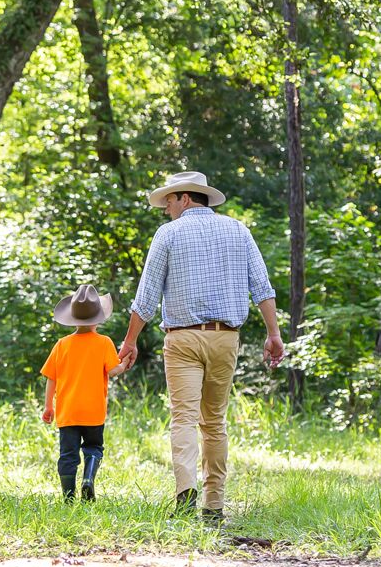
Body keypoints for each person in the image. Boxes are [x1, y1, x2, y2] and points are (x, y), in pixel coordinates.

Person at [117, 170, 283, 523]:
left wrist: (130, 341)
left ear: (186, 198)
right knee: (214, 422)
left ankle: (185, 491)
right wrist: (274, 334)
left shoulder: (168, 234)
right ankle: (214, 504)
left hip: (182, 339)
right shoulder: (238, 230)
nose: (166, 209)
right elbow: (262, 287)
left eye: (169, 201)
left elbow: (146, 296)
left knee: (183, 418)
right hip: (225, 338)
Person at [41, 283, 129, 502]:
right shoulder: (104, 342)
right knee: (93, 447)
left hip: (68, 412)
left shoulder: (62, 345)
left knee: (68, 455)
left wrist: (48, 406)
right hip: (93, 411)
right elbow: (113, 370)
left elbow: (51, 377)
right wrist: (124, 364)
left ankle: (68, 497)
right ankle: (88, 479)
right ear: (98, 318)